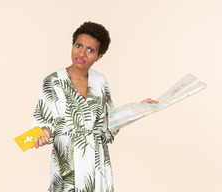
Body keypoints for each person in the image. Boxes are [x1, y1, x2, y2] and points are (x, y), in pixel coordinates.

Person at [30, 21, 158, 191]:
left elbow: (109, 121)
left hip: (96, 160)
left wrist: (139, 108)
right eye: (78, 45)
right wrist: (43, 132)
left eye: (90, 50)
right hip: (66, 162)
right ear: (72, 45)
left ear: (99, 56)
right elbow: (42, 119)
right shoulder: (52, 82)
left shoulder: (101, 82)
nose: (81, 53)